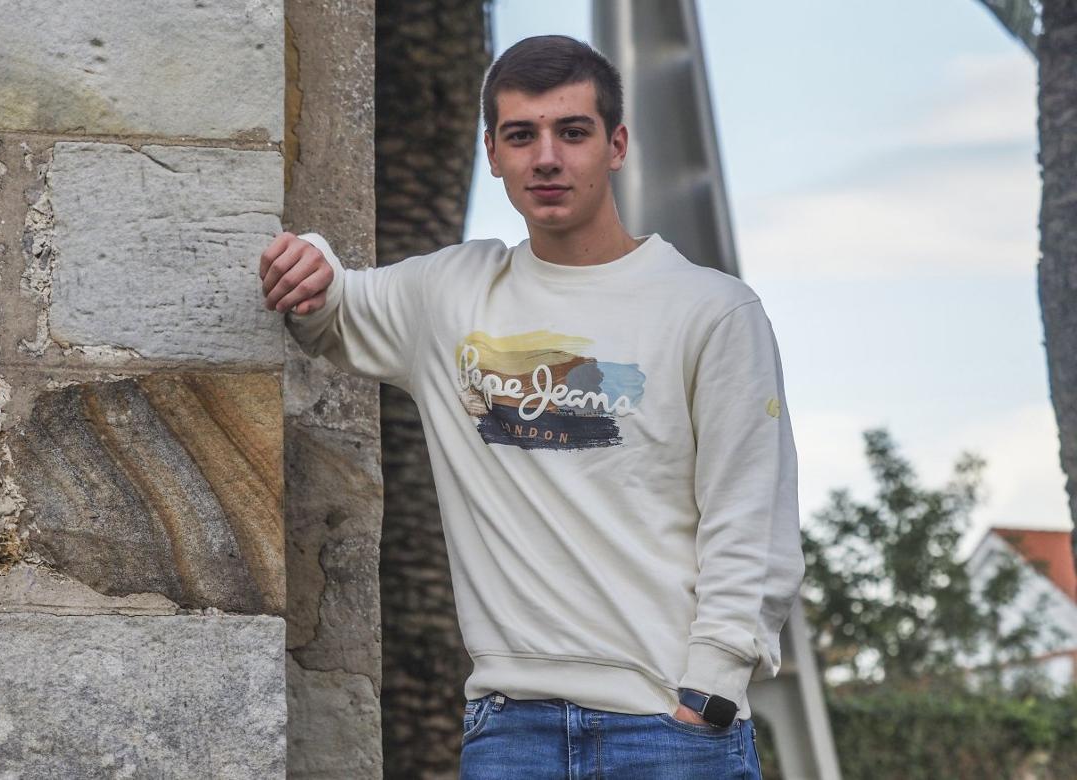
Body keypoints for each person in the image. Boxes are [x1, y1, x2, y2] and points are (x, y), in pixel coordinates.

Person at [259, 33, 802, 780]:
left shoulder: (711, 311)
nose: (546, 157)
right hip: (511, 733)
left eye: (571, 132)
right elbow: (332, 302)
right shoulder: (451, 295)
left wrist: (710, 689)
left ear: (615, 144)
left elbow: (752, 516)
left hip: (671, 732)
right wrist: (308, 255)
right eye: (522, 135)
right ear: (492, 152)